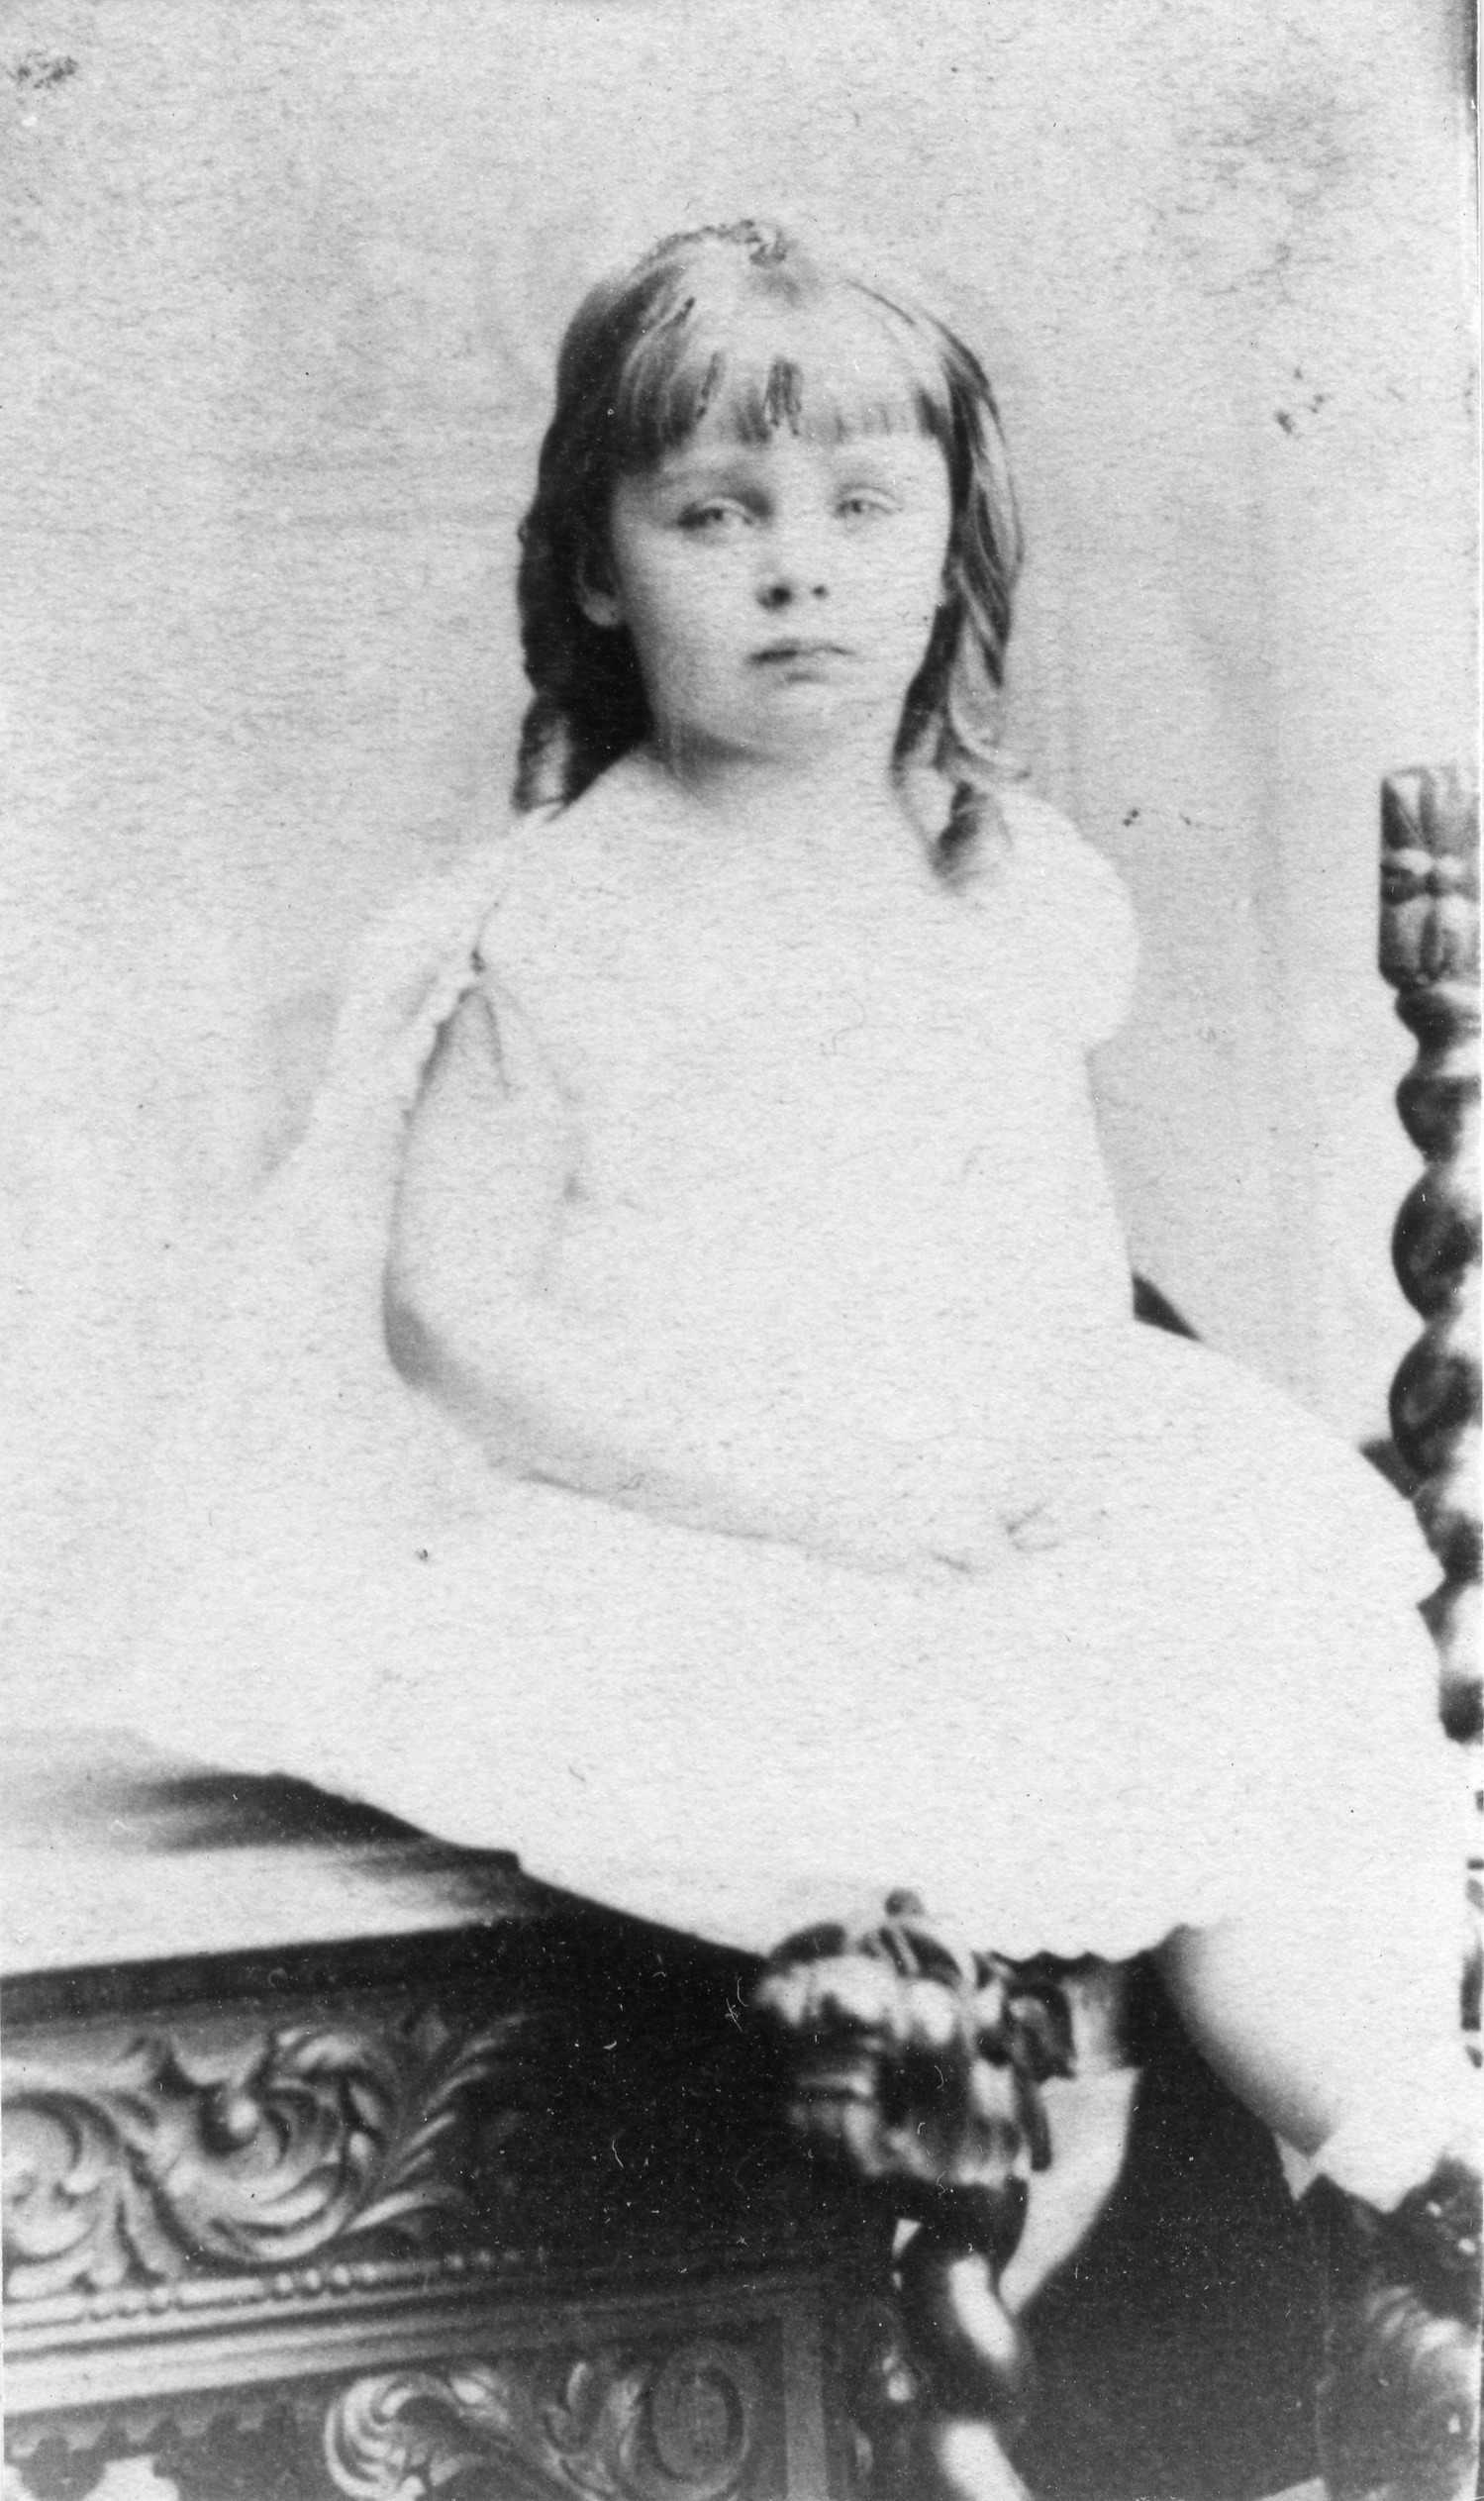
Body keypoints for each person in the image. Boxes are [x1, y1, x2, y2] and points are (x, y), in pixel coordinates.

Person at [141, 221, 1475, 2492]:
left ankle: (1405, 2176)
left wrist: (1047, 1443)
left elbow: (1043, 1232)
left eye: (865, 514)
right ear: (594, 565)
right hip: (672, 1493)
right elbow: (453, 1320)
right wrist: (818, 1495)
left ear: (950, 553)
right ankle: (1004, 2324)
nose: (798, 577)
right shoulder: (562, 915)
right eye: (715, 516)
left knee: (1260, 1629)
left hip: (973, 1458)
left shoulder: (991, 877)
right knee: (921, 1825)